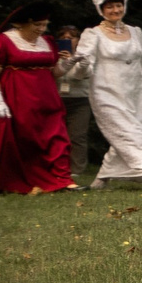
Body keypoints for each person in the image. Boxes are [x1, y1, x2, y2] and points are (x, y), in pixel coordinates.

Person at [0, 2, 75, 194]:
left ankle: (62, 179)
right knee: (25, 141)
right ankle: (23, 182)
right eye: (37, 25)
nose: (41, 29)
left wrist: (67, 64)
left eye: (44, 25)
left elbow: (52, 72)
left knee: (57, 137)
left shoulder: (46, 41)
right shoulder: (1, 42)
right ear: (21, 24)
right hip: (18, 98)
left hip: (48, 99)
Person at [75, 0, 142, 191]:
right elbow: (84, 67)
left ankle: (102, 178)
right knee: (131, 133)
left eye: (118, 5)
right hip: (107, 93)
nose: (115, 10)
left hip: (136, 92)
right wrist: (80, 65)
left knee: (131, 133)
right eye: (110, 7)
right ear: (101, 10)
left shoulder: (135, 32)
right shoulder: (92, 34)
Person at [53, 23, 93, 178]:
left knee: (77, 136)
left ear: (78, 39)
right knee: (56, 135)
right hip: (57, 99)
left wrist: (72, 60)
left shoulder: (85, 55)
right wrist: (60, 60)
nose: (67, 40)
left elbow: (81, 75)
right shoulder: (53, 56)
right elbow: (52, 75)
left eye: (71, 37)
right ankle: (57, 166)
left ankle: (76, 170)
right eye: (63, 37)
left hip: (80, 100)